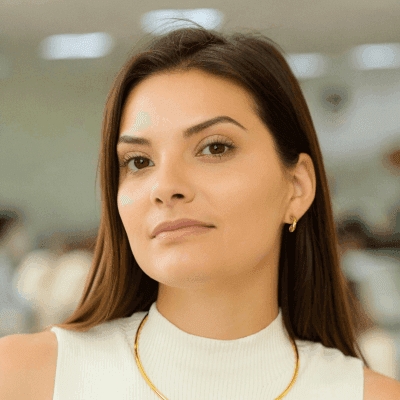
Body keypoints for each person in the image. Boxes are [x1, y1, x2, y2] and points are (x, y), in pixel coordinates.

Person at [1, 20, 400, 399]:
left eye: (215, 148)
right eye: (139, 161)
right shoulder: (23, 378)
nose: (166, 187)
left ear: (297, 187)